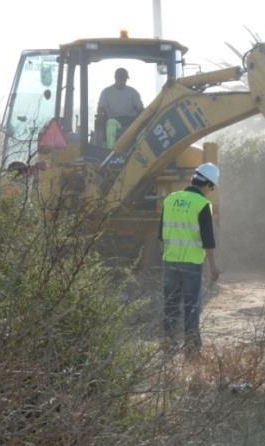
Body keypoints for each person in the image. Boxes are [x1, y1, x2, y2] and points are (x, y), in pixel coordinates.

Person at [159, 162, 220, 353]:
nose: (211, 192)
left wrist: (168, 257)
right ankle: (192, 348)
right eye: (212, 188)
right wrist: (213, 267)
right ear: (208, 185)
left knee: (170, 304)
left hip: (170, 261)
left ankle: (168, 344)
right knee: (191, 306)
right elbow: (208, 240)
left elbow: (161, 235)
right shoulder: (202, 205)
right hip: (192, 264)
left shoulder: (170, 199)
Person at [96, 67, 144, 147]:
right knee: (110, 123)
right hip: (114, 120)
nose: (122, 81)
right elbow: (100, 108)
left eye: (124, 79)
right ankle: (110, 150)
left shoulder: (132, 92)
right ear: (115, 78)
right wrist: (100, 114)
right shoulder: (106, 92)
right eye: (120, 79)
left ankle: (139, 150)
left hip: (130, 121)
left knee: (143, 125)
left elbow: (140, 109)